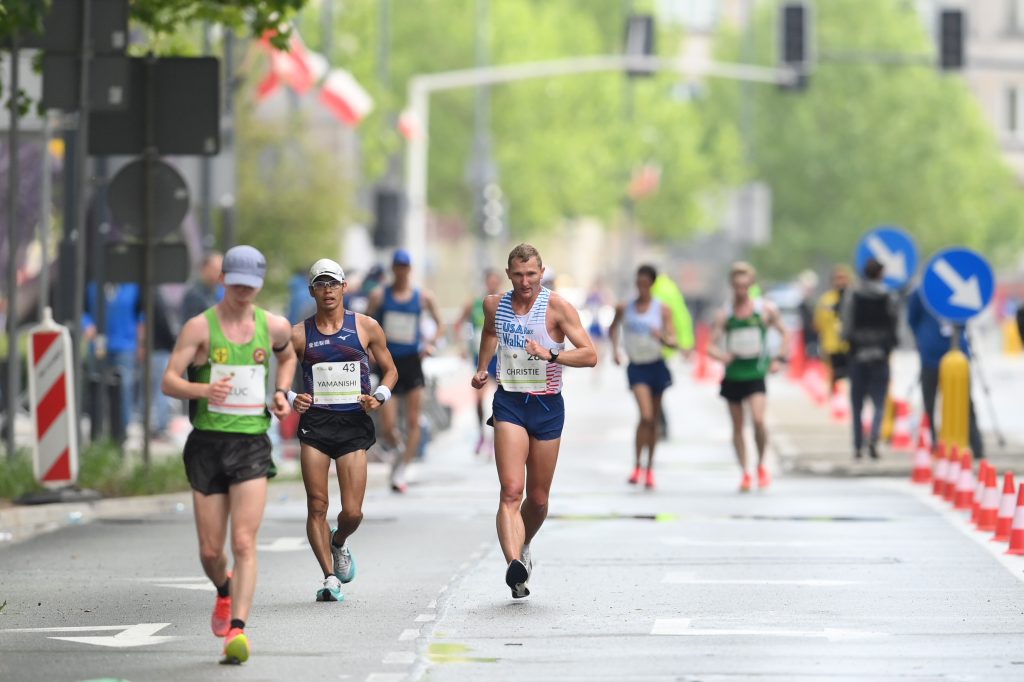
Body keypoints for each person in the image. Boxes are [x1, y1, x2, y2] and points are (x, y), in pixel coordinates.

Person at [161, 245, 296, 664]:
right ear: (223, 280)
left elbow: (287, 355)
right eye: (236, 284)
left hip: (252, 443)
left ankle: (238, 632)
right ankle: (223, 589)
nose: (243, 293)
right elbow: (168, 381)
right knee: (209, 551)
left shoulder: (272, 326)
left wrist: (280, 392)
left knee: (244, 540)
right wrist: (203, 389)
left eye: (250, 287)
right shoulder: (199, 328)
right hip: (207, 444)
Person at [472, 243, 598, 598]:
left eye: (531, 274)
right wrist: (483, 368)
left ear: (541, 273)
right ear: (508, 274)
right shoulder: (494, 305)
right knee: (512, 491)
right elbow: (490, 333)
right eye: (518, 274)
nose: (525, 281)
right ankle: (514, 565)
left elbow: (590, 355)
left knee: (539, 499)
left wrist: (551, 353)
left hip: (546, 407)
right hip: (510, 404)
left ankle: (523, 545)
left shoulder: (557, 307)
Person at [289, 258, 398, 602]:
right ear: (312, 291)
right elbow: (277, 383)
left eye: (333, 284)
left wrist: (379, 396)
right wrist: (293, 397)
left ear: (344, 288)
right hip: (316, 425)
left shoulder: (365, 327)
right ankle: (329, 577)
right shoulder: (297, 334)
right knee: (317, 506)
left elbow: (391, 371)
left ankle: (339, 541)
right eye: (320, 285)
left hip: (353, 424)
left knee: (352, 512)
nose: (327, 291)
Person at [367, 249, 445, 493]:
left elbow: (441, 324)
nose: (401, 270)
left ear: (409, 269)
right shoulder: (380, 296)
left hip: (412, 362)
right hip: (388, 362)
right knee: (388, 424)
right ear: (393, 269)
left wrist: (430, 344)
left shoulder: (422, 296)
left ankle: (402, 470)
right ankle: (398, 449)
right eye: (398, 266)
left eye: (405, 266)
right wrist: (370, 350)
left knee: (413, 420)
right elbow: (365, 325)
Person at [708, 262, 788, 492]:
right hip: (733, 375)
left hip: (755, 373)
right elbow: (710, 347)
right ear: (732, 287)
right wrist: (722, 356)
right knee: (737, 426)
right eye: (737, 287)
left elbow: (785, 334)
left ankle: (761, 464)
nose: (741, 291)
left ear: (751, 285)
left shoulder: (765, 310)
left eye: (745, 286)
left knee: (759, 420)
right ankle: (744, 471)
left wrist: (778, 359)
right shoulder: (725, 314)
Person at [609, 264, 677, 489]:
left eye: (646, 283)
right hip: (637, 367)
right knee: (646, 416)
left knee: (654, 420)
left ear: (652, 284)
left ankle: (649, 468)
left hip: (656, 365)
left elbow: (673, 340)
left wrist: (663, 338)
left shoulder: (662, 309)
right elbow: (613, 328)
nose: (642, 287)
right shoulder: (625, 307)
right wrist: (616, 350)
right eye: (639, 283)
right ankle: (637, 464)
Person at [907, 285, 984, 459]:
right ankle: (930, 443)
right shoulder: (920, 293)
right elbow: (912, 319)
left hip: (956, 355)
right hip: (931, 356)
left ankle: (976, 444)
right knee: (929, 402)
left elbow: (964, 317)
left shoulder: (958, 291)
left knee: (964, 401)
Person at [840, 258, 898, 460]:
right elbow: (894, 325)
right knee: (879, 402)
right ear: (880, 274)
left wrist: (846, 342)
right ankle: (874, 436)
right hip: (880, 355)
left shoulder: (853, 294)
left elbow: (845, 325)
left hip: (857, 355)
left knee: (857, 405)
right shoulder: (889, 296)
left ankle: (857, 445)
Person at [454, 268, 503, 456]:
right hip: (480, 355)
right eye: (490, 281)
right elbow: (459, 323)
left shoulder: (505, 303)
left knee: (499, 398)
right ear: (485, 282)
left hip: (500, 357)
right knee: (479, 399)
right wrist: (462, 347)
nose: (493, 285)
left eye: (495, 282)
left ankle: (495, 438)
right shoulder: (475, 303)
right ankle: (482, 435)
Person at [84, 282, 143, 437]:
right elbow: (82, 310)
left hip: (125, 345)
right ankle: (97, 432)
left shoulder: (133, 286)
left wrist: (142, 341)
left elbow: (142, 314)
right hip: (98, 345)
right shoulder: (93, 283)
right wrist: (87, 325)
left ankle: (121, 432)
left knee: (124, 388)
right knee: (96, 388)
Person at [814, 265, 852, 394]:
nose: (841, 282)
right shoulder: (826, 300)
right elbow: (818, 323)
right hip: (831, 346)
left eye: (843, 278)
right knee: (832, 379)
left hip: (850, 346)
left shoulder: (853, 298)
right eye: (838, 278)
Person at [182, 251, 224, 322]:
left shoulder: (217, 290)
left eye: (221, 271)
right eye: (216, 270)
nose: (220, 274)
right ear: (205, 269)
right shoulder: (194, 295)